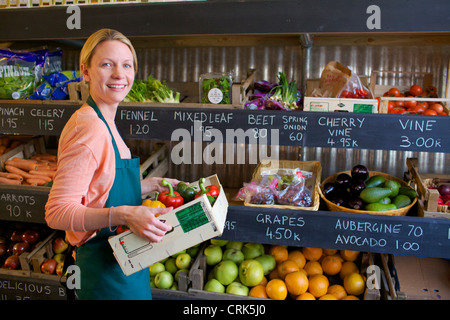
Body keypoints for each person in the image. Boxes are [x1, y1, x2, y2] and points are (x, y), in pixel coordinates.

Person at [45, 28, 178, 300]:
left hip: (123, 263)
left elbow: (100, 190)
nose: (119, 74)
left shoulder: (104, 121)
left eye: (126, 65)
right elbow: (57, 212)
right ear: (86, 71)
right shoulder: (89, 128)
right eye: (107, 64)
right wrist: (125, 215)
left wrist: (151, 185)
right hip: (102, 272)